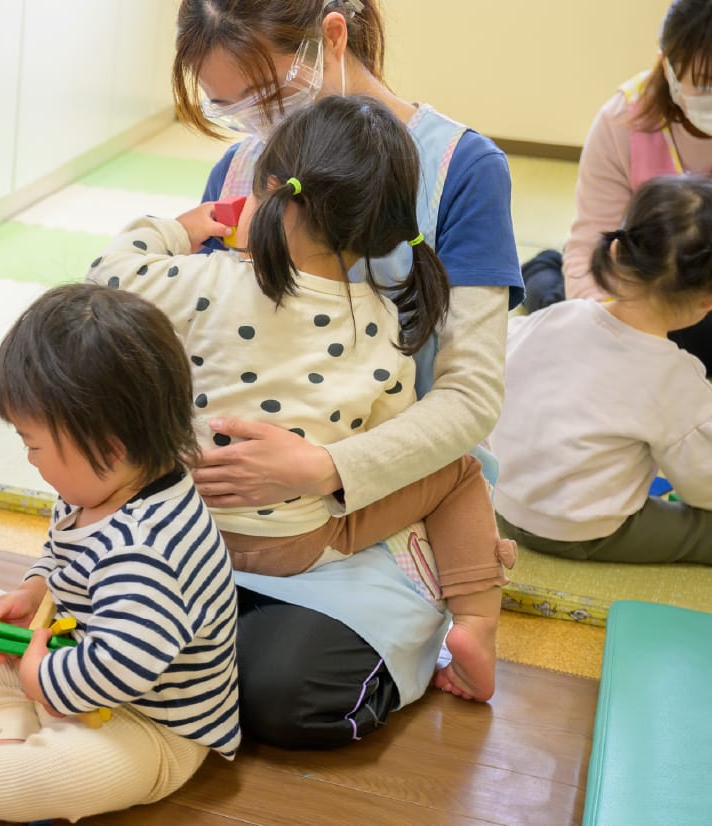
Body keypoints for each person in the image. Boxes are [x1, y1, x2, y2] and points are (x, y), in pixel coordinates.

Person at [168, 0, 523, 746]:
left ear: (332, 36)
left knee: (281, 692)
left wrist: (321, 466)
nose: (253, 128)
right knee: (104, 638)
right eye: (230, 107)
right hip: (224, 506)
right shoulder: (236, 168)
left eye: (263, 99)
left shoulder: (460, 169)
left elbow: (468, 397)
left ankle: (443, 619)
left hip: (373, 505)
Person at [88, 95, 515, 702]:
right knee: (459, 470)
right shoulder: (385, 330)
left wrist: (174, 230)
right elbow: (388, 442)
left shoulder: (201, 281)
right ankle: (476, 624)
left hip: (182, 525)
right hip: (297, 543)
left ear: (269, 192)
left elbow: (105, 279)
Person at [0, 284, 240, 822]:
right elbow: (60, 557)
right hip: (71, 664)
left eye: (33, 444)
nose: (29, 459)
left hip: (149, 724)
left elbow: (121, 668)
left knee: (73, 772)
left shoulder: (149, 551)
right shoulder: (94, 492)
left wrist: (38, 675)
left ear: (110, 447)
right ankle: (11, 735)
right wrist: (35, 590)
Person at [495, 176, 712, 564]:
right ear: (707, 302)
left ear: (615, 251)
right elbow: (703, 486)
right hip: (575, 530)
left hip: (499, 500)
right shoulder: (677, 378)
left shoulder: (559, 314)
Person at [520, 0, 712, 374]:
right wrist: (616, 334)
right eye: (706, 84)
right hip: (652, 288)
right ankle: (544, 277)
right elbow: (591, 244)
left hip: (700, 295)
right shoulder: (623, 121)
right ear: (668, 66)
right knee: (577, 342)